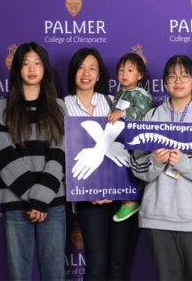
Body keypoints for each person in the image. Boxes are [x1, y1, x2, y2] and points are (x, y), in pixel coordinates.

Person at [130, 55, 192, 280]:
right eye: (172, 76)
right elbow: (136, 164)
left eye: (184, 75)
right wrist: (156, 162)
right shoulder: (151, 116)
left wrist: (182, 162)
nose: (178, 80)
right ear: (164, 82)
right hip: (158, 216)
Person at [0, 42, 66, 280]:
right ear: (17, 69)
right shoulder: (3, 107)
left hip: (52, 204)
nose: (31, 68)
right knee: (19, 275)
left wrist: (42, 200)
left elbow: (60, 154)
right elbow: (4, 156)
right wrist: (34, 199)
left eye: (37, 63)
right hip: (15, 202)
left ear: (45, 68)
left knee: (54, 273)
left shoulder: (59, 107)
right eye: (25, 63)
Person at [64, 47, 136, 280]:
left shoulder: (113, 102)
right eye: (81, 67)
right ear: (73, 72)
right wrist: (89, 192)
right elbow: (60, 153)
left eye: (92, 68)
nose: (86, 73)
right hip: (88, 198)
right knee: (96, 262)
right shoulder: (62, 106)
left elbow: (129, 142)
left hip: (121, 197)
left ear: (100, 74)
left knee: (118, 264)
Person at [108, 53, 153, 222]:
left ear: (140, 75)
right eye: (121, 70)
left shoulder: (140, 94)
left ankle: (132, 201)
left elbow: (141, 114)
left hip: (135, 141)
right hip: (120, 138)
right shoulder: (119, 93)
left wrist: (122, 113)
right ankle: (126, 199)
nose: (124, 74)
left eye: (129, 70)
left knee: (132, 169)